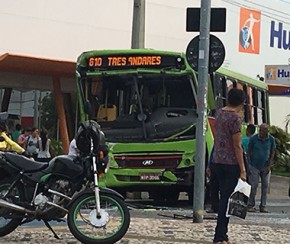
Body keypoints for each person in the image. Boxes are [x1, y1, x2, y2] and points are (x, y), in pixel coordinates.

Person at [212, 88, 247, 244]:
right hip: (231, 164)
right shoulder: (235, 118)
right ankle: (220, 236)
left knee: (222, 198)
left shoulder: (219, 113)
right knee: (226, 201)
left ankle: (223, 235)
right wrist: (243, 169)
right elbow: (237, 145)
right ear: (241, 102)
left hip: (217, 161)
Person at [247, 123, 276, 213]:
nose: (261, 132)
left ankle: (263, 206)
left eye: (263, 131)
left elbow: (272, 151)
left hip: (265, 166)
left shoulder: (271, 139)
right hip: (254, 165)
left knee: (265, 186)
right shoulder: (254, 138)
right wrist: (249, 164)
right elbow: (249, 151)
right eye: (260, 130)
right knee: (254, 185)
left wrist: (269, 165)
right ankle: (250, 204)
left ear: (267, 131)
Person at [206, 146, 219, 214]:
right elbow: (212, 155)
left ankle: (218, 207)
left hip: (220, 167)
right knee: (214, 189)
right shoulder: (216, 144)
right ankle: (215, 207)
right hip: (214, 166)